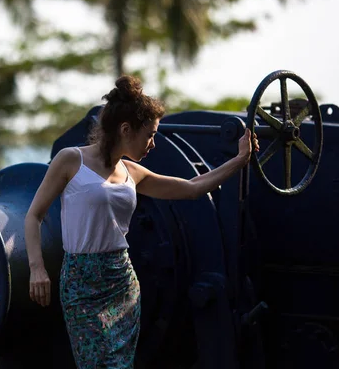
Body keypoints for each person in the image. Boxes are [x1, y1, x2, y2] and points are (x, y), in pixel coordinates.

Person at [24, 75, 259, 368]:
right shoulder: (70, 160)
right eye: (150, 134)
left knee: (121, 365)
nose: (153, 144)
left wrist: (239, 160)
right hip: (81, 285)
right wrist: (37, 268)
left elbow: (192, 188)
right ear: (125, 129)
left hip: (122, 280)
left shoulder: (132, 173)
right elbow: (34, 215)